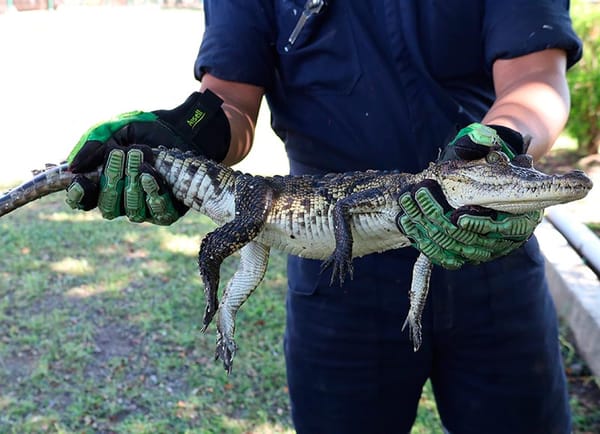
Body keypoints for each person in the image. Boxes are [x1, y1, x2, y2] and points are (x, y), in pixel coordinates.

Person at [66, 1, 583, 433]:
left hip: (491, 251)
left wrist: (502, 146)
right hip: (336, 272)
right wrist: (191, 132)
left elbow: (536, 75)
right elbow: (232, 103)